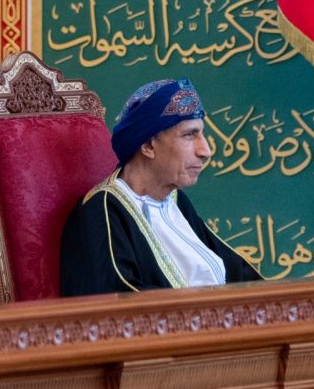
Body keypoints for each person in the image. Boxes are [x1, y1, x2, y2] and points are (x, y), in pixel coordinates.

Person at [60, 79, 263, 295]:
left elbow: (234, 273)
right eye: (189, 135)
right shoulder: (102, 211)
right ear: (148, 145)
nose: (205, 151)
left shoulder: (175, 200)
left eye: (202, 134)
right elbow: (117, 301)